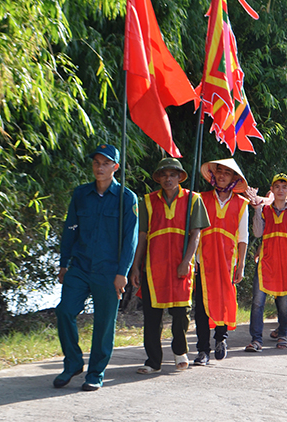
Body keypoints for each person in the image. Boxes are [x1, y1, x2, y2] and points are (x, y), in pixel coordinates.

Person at [54, 144, 139, 391]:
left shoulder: (127, 198)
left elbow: (130, 239)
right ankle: (72, 363)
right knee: (65, 311)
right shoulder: (81, 194)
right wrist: (63, 262)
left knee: (104, 323)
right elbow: (70, 228)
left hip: (109, 270)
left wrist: (122, 273)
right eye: (96, 163)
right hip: (79, 267)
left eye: (105, 163)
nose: (99, 167)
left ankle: (96, 373)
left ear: (116, 167)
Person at [130, 158, 210, 373]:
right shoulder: (147, 200)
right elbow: (142, 236)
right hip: (153, 266)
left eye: (172, 174)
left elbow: (196, 234)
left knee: (180, 313)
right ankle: (153, 362)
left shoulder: (194, 200)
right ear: (158, 178)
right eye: (164, 174)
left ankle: (179, 351)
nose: (168, 178)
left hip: (179, 265)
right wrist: (135, 266)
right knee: (152, 316)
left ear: (179, 177)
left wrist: (186, 262)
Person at [193, 159, 249, 366]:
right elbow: (194, 231)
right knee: (201, 306)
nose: (223, 176)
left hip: (228, 260)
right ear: (213, 175)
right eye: (220, 172)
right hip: (204, 260)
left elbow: (243, 237)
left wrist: (241, 265)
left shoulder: (241, 204)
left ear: (234, 179)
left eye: (228, 173)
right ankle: (202, 350)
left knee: (225, 302)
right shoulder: (200, 199)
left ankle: (220, 339)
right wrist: (193, 258)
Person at [245, 173, 287, 352]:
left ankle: (283, 336)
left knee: (285, 305)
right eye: (277, 187)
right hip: (266, 263)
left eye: (284, 187)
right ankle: (256, 340)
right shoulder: (264, 210)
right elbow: (257, 233)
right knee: (257, 302)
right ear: (271, 190)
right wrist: (255, 209)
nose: (280, 190)